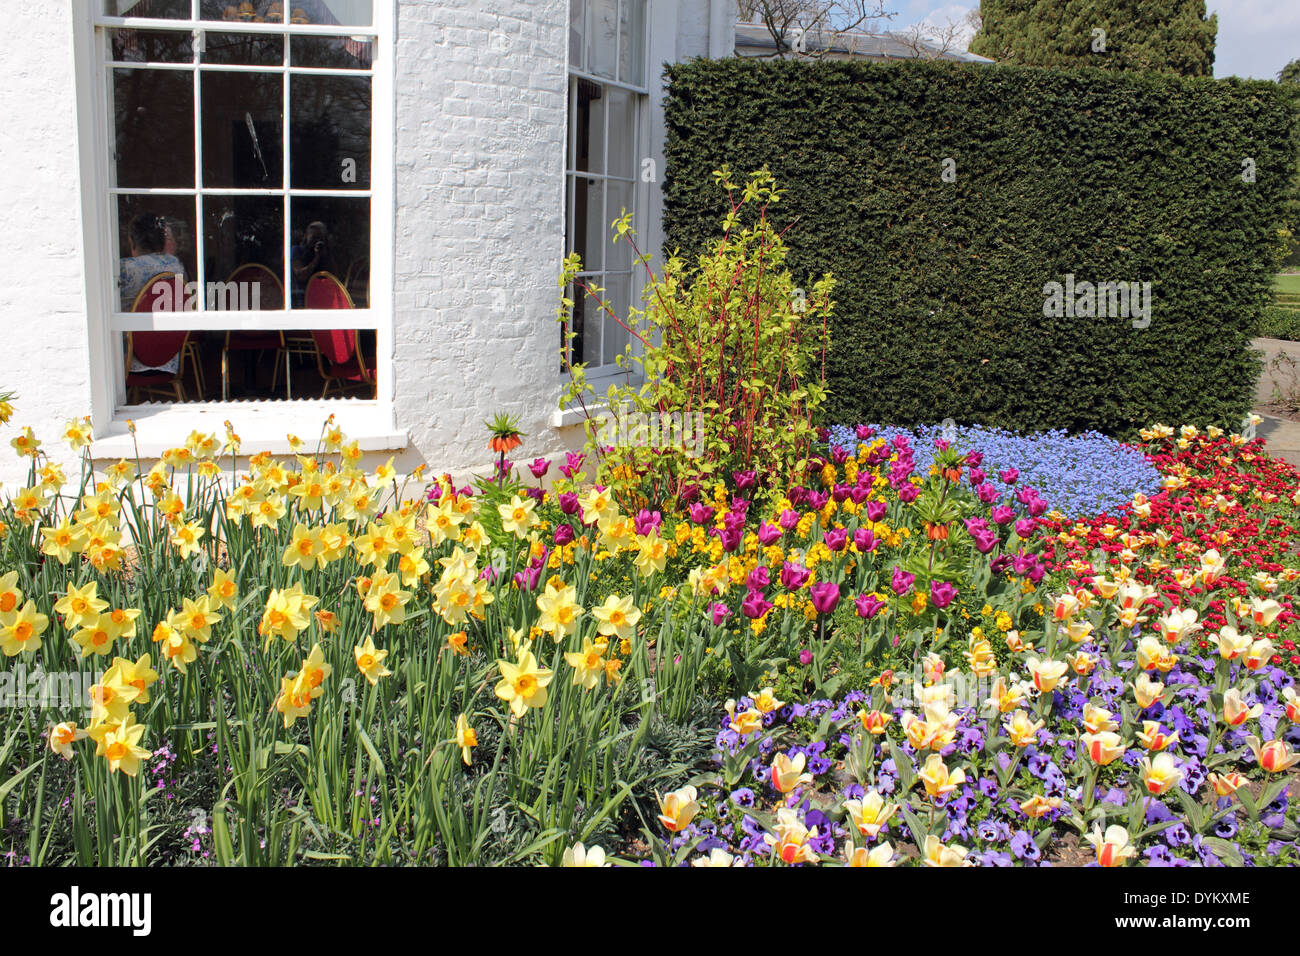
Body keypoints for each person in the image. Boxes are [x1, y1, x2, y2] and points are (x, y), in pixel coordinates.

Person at [119, 213, 187, 375]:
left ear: (132, 240)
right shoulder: (175, 265)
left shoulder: (125, 268)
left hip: (130, 359)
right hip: (168, 357)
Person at [119, 213, 185, 312]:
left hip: (134, 327)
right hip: (172, 326)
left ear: (131, 242)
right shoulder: (176, 265)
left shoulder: (125, 269)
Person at [290, 221, 336, 307]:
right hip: (303, 300)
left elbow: (334, 277)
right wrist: (316, 258)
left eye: (320, 239)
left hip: (324, 298)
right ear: (306, 236)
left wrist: (327, 253)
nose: (316, 242)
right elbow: (301, 276)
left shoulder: (324, 252)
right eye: (314, 238)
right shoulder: (297, 251)